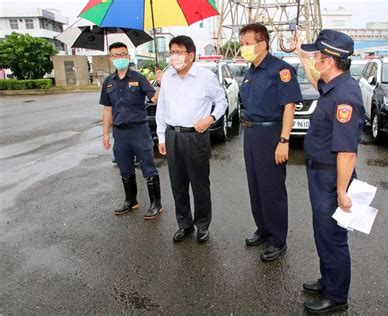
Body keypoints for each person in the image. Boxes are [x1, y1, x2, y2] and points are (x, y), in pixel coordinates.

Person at [293, 30, 364, 313]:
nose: (314, 61)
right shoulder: (333, 84)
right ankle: (328, 280)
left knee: (332, 236)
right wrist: (300, 52)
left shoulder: (345, 96)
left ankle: (336, 297)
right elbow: (313, 78)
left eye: (317, 57)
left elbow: (347, 152)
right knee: (323, 233)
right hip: (320, 173)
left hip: (331, 176)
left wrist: (342, 191)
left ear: (330, 61)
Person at [239, 23, 302, 262]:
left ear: (262, 43)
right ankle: (263, 228)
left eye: (247, 43)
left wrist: (284, 140)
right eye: (242, 43)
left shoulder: (280, 70)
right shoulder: (251, 72)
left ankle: (278, 239)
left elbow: (289, 106)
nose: (243, 48)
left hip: (271, 134)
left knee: (272, 189)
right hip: (251, 134)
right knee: (255, 186)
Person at [156, 35, 228, 243]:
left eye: (178, 52)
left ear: (191, 55)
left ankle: (202, 225)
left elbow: (221, 101)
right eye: (171, 52)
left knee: (199, 185)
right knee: (178, 184)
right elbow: (162, 108)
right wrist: (161, 136)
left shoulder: (205, 77)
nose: (173, 56)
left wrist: (211, 118)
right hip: (172, 135)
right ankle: (184, 224)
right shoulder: (168, 76)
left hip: (195, 137)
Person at [99, 42, 163, 220]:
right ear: (111, 58)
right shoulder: (108, 83)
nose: (120, 58)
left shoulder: (139, 78)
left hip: (139, 131)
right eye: (116, 55)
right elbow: (107, 109)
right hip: (120, 133)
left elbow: (155, 99)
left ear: (128, 56)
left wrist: (160, 83)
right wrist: (105, 134)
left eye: (123, 54)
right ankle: (131, 200)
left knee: (148, 168)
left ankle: (156, 204)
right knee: (125, 169)